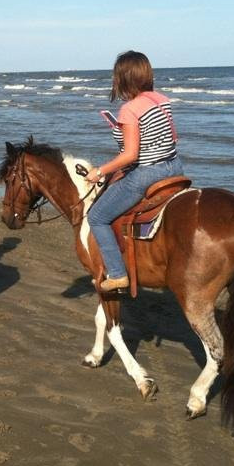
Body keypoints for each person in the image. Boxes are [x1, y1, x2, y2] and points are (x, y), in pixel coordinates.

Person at [86, 50, 183, 291]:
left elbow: (130, 155)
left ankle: (117, 274)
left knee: (96, 217)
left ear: (123, 78)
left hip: (148, 173)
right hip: (174, 166)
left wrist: (99, 171)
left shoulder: (129, 109)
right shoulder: (162, 99)